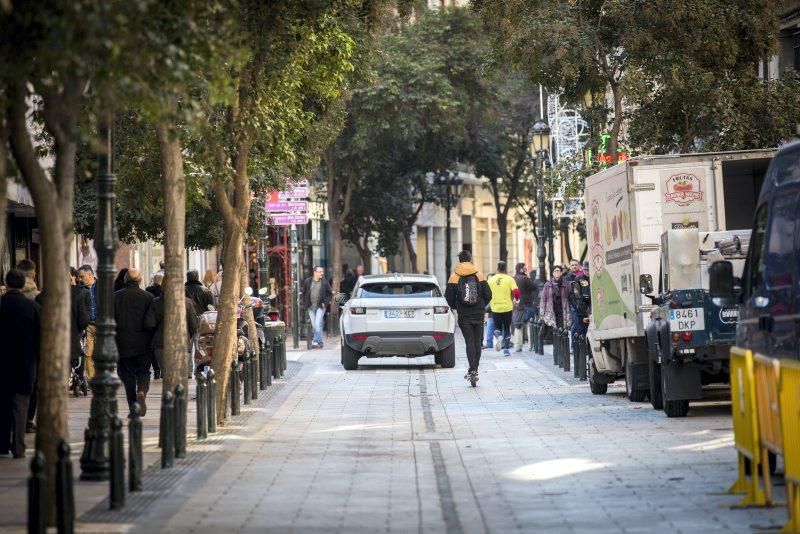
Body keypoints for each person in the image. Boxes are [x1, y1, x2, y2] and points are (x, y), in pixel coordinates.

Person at [0, 269, 40, 458]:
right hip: (25, 363)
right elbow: (40, 337)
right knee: (21, 406)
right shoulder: (31, 307)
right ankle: (18, 446)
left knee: (2, 405)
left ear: (6, 284)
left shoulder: (1, 304)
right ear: (23, 285)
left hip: (3, 363)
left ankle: (1, 444)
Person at [445, 250, 492, 384]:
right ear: (470, 259)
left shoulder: (454, 276)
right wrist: (482, 305)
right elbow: (489, 295)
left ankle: (472, 370)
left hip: (464, 314)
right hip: (478, 313)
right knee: (477, 342)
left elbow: (448, 297)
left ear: (459, 260)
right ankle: (474, 369)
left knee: (469, 342)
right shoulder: (479, 274)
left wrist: (458, 307)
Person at [114, 268, 154, 415]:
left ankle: (133, 406)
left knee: (127, 375)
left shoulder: (115, 297)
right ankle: (142, 391)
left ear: (125, 280)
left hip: (122, 342)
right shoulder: (148, 297)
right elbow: (151, 321)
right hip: (144, 343)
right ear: (140, 280)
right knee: (144, 371)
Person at [144, 293, 198, 379]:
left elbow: (150, 324)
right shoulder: (187, 302)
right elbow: (194, 325)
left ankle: (169, 391)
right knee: (180, 376)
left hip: (161, 343)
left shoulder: (156, 302)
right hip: (182, 343)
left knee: (167, 375)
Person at [488, 261, 520, 357]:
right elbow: (516, 292)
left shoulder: (491, 280)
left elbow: (486, 293)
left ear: (497, 269)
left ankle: (499, 337)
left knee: (497, 328)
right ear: (505, 269)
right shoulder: (509, 279)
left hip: (495, 307)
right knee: (507, 328)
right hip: (507, 307)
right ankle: (506, 349)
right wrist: (516, 300)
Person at [539, 265, 572, 346]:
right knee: (554, 330)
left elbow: (570, 297)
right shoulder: (548, 284)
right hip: (551, 311)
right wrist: (542, 313)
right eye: (555, 271)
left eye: (558, 271)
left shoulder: (566, 284)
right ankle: (556, 347)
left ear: (561, 273)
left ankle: (562, 347)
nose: (556, 272)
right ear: (553, 273)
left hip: (562, 310)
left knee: (562, 330)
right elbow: (543, 299)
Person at [301, 266, 332, 349]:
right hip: (310, 307)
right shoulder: (307, 281)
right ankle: (319, 341)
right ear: (315, 272)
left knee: (317, 323)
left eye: (322, 271)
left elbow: (330, 294)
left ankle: (317, 341)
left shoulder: (325, 282)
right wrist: (304, 303)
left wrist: (324, 303)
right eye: (320, 271)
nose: (322, 273)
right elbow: (303, 293)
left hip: (320, 306)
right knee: (315, 325)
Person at [78, 265, 98, 380]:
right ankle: (91, 380)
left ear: (90, 275)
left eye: (82, 277)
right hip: (88, 325)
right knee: (88, 353)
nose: (80, 279)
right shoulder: (80, 290)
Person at [512, 263, 536, 352]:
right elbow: (534, 287)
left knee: (518, 327)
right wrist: (528, 277)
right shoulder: (525, 278)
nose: (526, 269)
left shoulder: (513, 279)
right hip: (527, 305)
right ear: (521, 269)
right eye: (525, 268)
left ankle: (518, 346)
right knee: (529, 325)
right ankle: (531, 345)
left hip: (517, 306)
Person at [568, 270, 591, 343]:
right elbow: (575, 294)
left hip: (591, 306)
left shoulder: (593, 277)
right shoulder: (579, 279)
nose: (587, 272)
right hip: (581, 307)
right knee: (579, 327)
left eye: (588, 270)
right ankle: (576, 345)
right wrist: (579, 306)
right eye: (586, 270)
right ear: (583, 270)